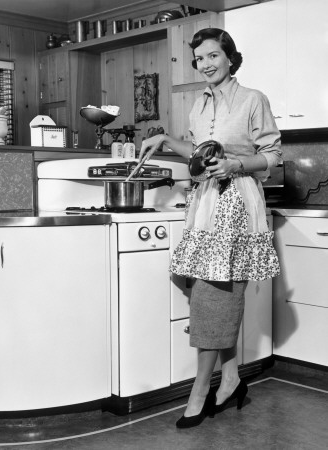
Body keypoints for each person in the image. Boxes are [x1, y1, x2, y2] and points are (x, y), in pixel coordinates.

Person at [139, 27, 282, 429]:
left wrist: (237, 164)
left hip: (236, 204)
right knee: (209, 293)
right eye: (199, 58)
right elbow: (200, 153)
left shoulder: (253, 100)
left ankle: (200, 391)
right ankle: (233, 377)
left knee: (215, 296)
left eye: (213, 56)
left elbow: (272, 155)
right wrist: (168, 139)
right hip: (204, 204)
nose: (205, 65)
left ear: (230, 58)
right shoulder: (198, 106)